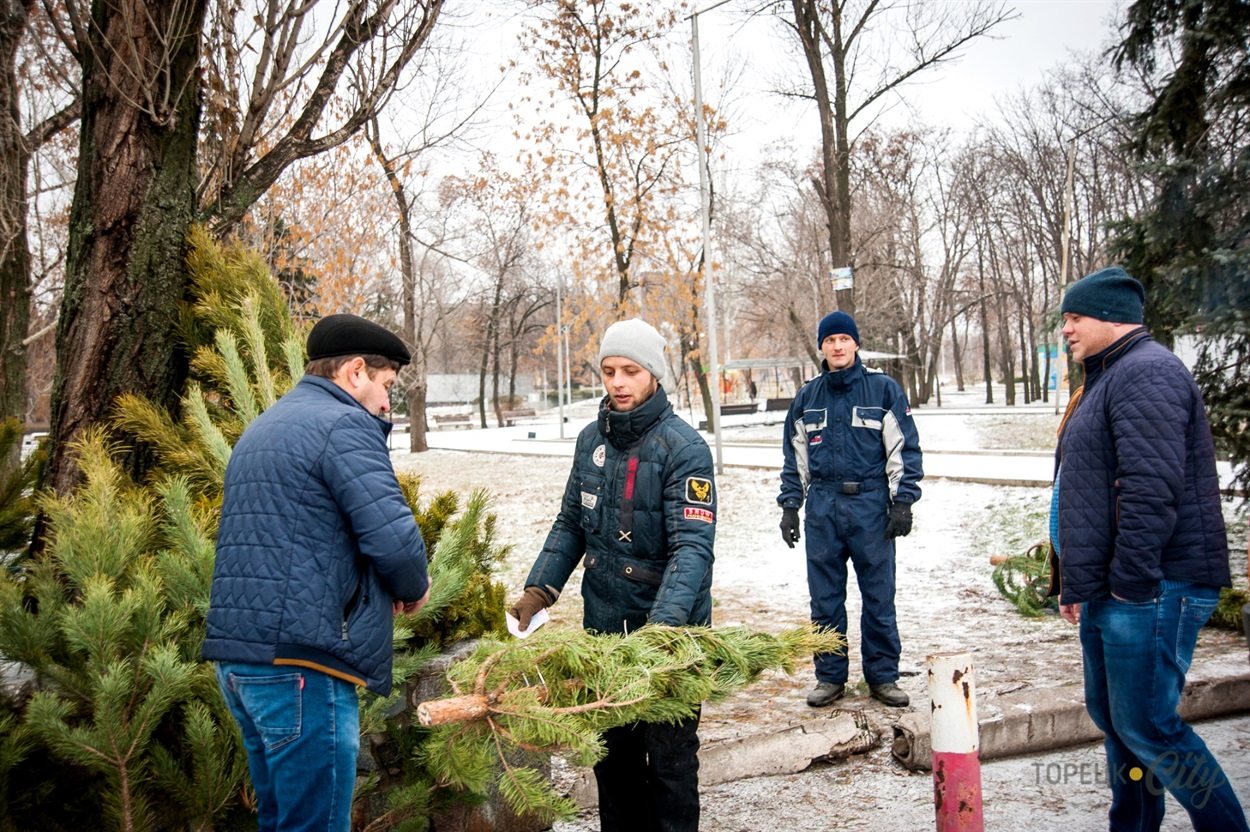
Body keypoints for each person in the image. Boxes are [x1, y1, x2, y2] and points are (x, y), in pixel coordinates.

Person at [204, 313, 432, 831]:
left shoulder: (267, 425)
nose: (385, 404)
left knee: (282, 821)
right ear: (355, 372)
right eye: (386, 385)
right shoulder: (343, 424)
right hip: (302, 667)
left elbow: (298, 542)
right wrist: (412, 588)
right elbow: (393, 538)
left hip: (240, 662)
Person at [1052, 266, 1248, 832]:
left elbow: (1149, 490)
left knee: (1150, 726)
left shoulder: (1148, 373)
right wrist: (1077, 584)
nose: (1066, 329)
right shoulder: (1107, 377)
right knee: (1119, 723)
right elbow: (1083, 491)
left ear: (1112, 318)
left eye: (1075, 317)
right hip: (1116, 589)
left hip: (1153, 586)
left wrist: (1128, 584)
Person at [509, 318, 715, 832]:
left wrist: (663, 629)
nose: (618, 382)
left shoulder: (684, 448)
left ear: (653, 374)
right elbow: (571, 523)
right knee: (614, 759)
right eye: (608, 371)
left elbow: (691, 550)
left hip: (668, 639)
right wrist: (539, 591)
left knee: (669, 764)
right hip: (603, 631)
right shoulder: (589, 442)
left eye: (630, 370)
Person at [777, 311, 923, 708]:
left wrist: (903, 501)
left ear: (855, 344)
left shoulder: (883, 391)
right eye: (830, 340)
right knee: (824, 599)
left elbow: (903, 449)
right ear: (821, 347)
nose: (837, 346)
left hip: (871, 506)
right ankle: (829, 676)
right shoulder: (808, 398)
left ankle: (883, 676)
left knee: (879, 595)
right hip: (823, 508)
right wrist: (791, 506)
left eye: (844, 339)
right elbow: (795, 457)